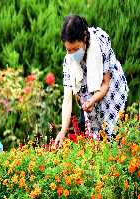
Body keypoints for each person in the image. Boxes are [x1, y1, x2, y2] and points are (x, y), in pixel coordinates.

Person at [55, 15, 128, 145]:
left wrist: (93, 100)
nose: (72, 54)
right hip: (89, 102)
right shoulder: (68, 62)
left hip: (112, 93)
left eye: (76, 49)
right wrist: (63, 130)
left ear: (84, 37)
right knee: (94, 145)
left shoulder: (100, 41)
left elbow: (105, 84)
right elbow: (67, 99)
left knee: (115, 141)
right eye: (68, 50)